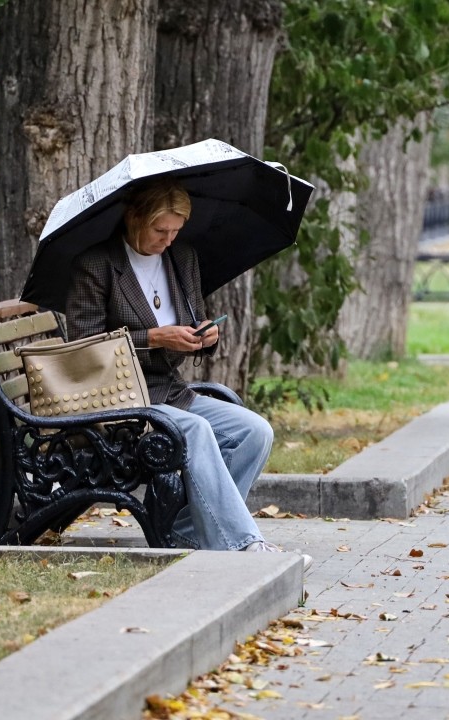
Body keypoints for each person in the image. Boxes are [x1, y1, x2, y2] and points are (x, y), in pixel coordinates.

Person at [65, 179, 311, 566]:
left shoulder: (183, 258)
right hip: (122, 398)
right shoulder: (97, 266)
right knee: (194, 430)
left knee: (254, 431)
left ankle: (187, 531)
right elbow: (85, 347)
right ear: (133, 217)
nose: (167, 239)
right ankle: (240, 545)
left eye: (175, 230)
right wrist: (154, 338)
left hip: (172, 391)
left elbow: (194, 320)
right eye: (160, 230)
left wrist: (206, 335)